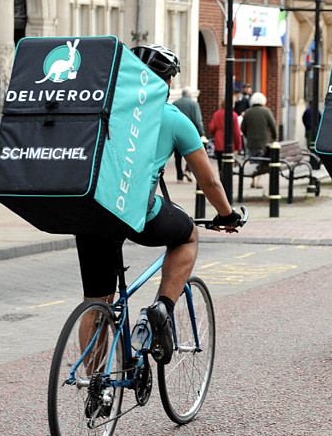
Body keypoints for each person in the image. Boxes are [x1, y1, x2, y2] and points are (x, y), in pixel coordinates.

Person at [76, 44, 242, 366]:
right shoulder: (172, 118)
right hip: (136, 213)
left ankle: (95, 385)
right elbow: (209, 182)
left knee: (96, 301)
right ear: (166, 83)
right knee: (189, 234)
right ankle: (162, 307)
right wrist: (227, 214)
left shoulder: (104, 107)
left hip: (93, 212)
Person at [240, 92, 278, 188]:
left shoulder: (248, 112)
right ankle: (258, 181)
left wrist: (247, 135)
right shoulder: (266, 111)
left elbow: (243, 127)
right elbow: (273, 125)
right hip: (263, 141)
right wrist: (274, 136)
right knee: (260, 161)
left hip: (251, 141)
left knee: (253, 160)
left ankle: (253, 180)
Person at [172, 88, 205, 183]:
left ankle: (179, 175)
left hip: (176, 132)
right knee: (190, 153)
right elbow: (198, 121)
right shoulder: (194, 104)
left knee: (177, 156)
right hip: (189, 133)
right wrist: (201, 134)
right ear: (190, 94)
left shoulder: (175, 103)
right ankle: (188, 170)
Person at [209, 99, 242, 173]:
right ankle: (227, 179)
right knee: (229, 163)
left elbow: (212, 128)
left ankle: (221, 177)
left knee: (220, 163)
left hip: (219, 142)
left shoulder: (216, 114)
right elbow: (236, 132)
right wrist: (238, 146)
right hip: (230, 142)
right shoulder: (233, 115)